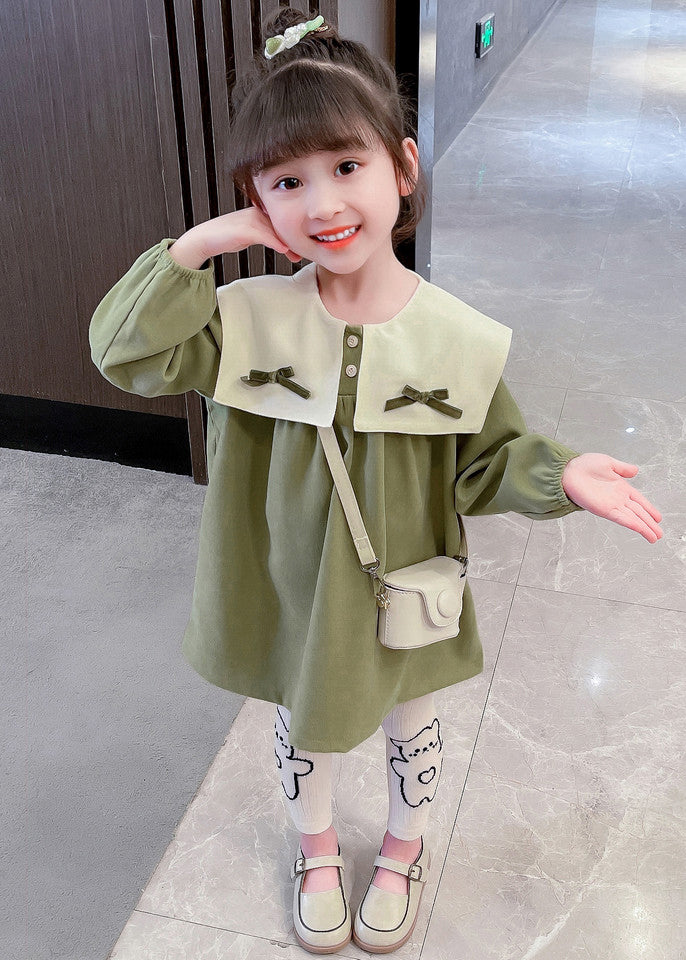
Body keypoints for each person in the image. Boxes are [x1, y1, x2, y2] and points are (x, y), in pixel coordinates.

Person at [88, 8, 663, 955]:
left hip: (404, 584)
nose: (323, 204)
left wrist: (564, 475)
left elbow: (489, 460)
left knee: (412, 721)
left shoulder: (457, 338)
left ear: (403, 167)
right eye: (287, 182)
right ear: (256, 200)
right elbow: (123, 353)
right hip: (288, 586)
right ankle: (315, 849)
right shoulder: (238, 321)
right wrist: (200, 245)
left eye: (347, 166)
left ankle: (403, 848)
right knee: (302, 721)